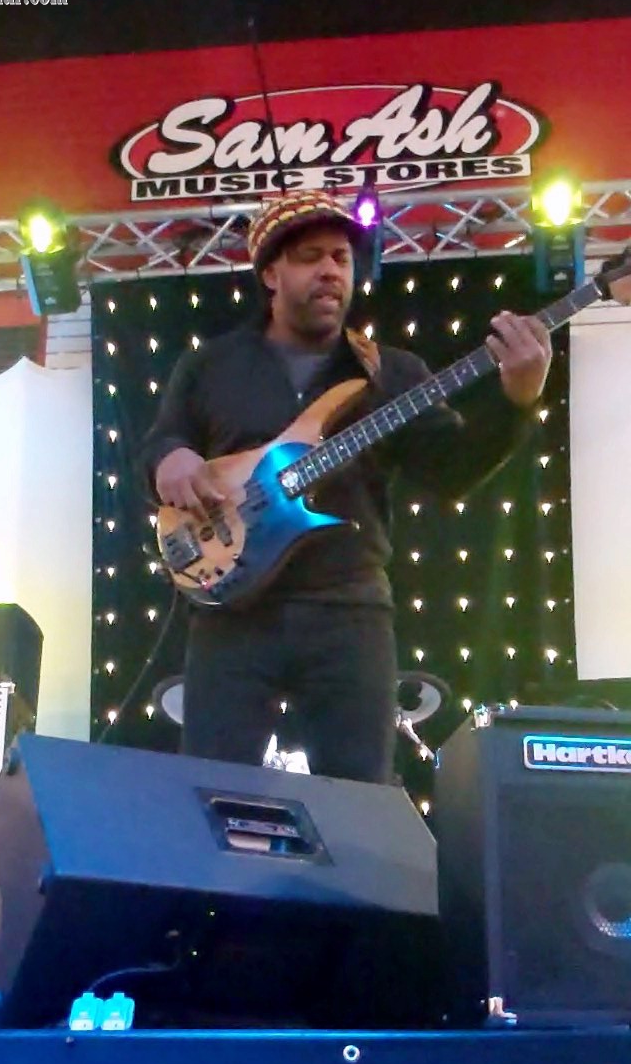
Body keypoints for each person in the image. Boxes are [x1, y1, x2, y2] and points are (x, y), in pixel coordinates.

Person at [141, 189, 551, 784]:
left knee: (360, 799)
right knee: (214, 795)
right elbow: (161, 441)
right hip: (233, 614)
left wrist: (517, 401)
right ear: (270, 274)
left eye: (341, 257)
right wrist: (169, 459)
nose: (331, 270)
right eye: (311, 257)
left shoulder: (392, 372)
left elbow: (453, 473)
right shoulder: (209, 366)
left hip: (348, 612)